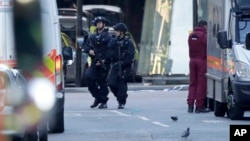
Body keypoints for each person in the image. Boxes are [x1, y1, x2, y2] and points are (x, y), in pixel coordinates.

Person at [84, 16, 113, 109]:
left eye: (100, 23)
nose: (98, 25)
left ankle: (103, 101)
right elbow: (86, 47)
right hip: (94, 61)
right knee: (88, 77)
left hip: (104, 62)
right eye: (97, 23)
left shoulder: (108, 36)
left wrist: (104, 60)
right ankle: (98, 97)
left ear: (104, 24)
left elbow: (110, 50)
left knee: (102, 82)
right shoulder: (92, 36)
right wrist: (89, 51)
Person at [108, 23, 135, 109]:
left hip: (125, 66)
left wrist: (123, 63)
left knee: (122, 84)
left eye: (117, 31)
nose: (115, 32)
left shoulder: (128, 42)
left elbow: (130, 55)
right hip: (115, 65)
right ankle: (120, 96)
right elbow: (109, 51)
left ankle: (121, 101)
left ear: (122, 32)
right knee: (111, 83)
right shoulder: (114, 41)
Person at [187, 20, 210, 113]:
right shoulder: (204, 36)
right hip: (201, 61)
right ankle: (199, 106)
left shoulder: (191, 35)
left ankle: (190, 105)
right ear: (204, 26)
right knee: (201, 84)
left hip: (192, 60)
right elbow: (208, 45)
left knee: (192, 83)